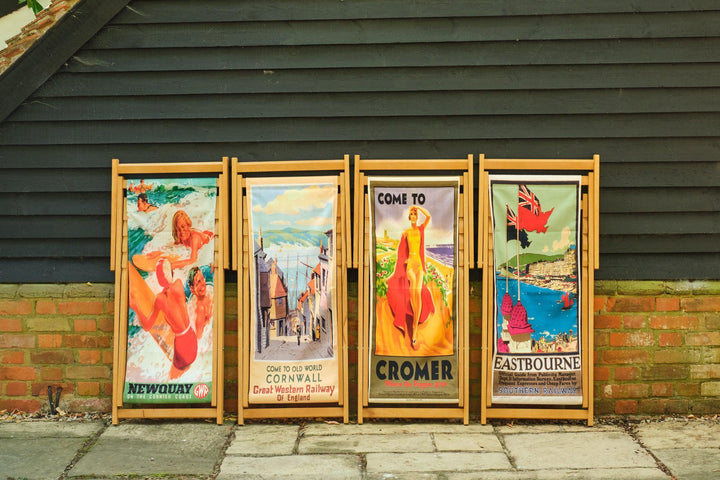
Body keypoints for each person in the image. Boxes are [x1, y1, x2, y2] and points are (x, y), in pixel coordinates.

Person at [129, 258, 197, 375]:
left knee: (173, 377)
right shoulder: (178, 284)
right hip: (193, 341)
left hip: (183, 351)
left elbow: (147, 326)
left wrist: (136, 307)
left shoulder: (159, 299)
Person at [386, 205, 435, 349]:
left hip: (419, 266)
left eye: (415, 214)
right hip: (410, 266)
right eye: (412, 214)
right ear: (409, 218)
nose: (414, 216)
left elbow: (429, 216)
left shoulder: (420, 229)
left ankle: (414, 330)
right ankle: (413, 326)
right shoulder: (406, 232)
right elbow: (401, 251)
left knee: (417, 295)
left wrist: (418, 207)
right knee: (413, 290)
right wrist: (403, 261)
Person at [188, 266, 213, 339]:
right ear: (192, 289)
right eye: (198, 282)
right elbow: (199, 338)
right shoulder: (199, 310)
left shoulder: (209, 291)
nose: (203, 284)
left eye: (203, 279)